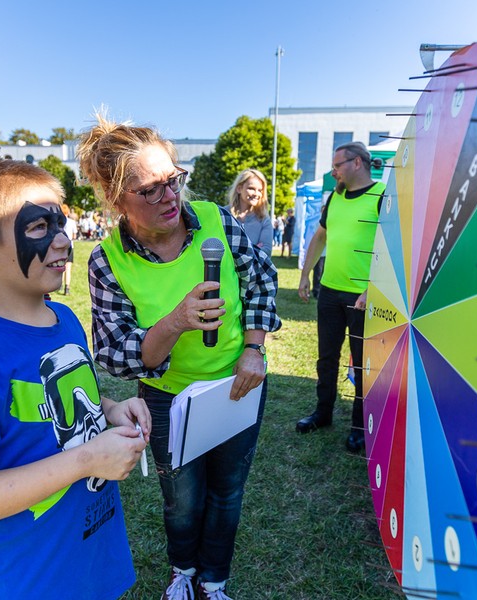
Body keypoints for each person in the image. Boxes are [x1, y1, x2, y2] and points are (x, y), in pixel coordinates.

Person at [0, 158, 147, 599]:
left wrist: (112, 410)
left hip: (91, 560)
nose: (62, 240)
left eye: (63, 222)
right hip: (21, 580)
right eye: (39, 227)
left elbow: (68, 402)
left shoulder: (65, 317)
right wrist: (87, 461)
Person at [78, 115, 281, 600]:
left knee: (227, 491)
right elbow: (117, 353)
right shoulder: (108, 260)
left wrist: (253, 349)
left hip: (238, 382)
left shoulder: (216, 220)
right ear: (114, 198)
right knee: (182, 501)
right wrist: (175, 321)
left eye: (173, 180)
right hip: (169, 401)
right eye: (150, 190)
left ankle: (214, 581)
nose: (170, 197)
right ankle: (183, 572)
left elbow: (261, 283)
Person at [295, 142, 385, 454]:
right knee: (326, 357)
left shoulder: (382, 195)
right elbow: (320, 237)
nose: (334, 171)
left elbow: (393, 248)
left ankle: (360, 427)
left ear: (358, 162)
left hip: (363, 297)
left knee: (363, 365)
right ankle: (323, 413)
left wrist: (371, 289)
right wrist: (306, 274)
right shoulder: (335, 196)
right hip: (330, 291)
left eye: (338, 165)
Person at [226, 168, 273, 256]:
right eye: (251, 188)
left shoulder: (263, 219)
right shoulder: (224, 214)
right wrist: (254, 248)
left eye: (260, 190)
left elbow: (266, 252)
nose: (256, 194)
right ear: (239, 188)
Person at [60, 204, 78, 294]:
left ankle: (60, 284)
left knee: (61, 266)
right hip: (70, 245)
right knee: (68, 267)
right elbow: (74, 235)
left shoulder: (59, 222)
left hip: (60, 247)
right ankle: (67, 288)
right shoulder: (72, 222)